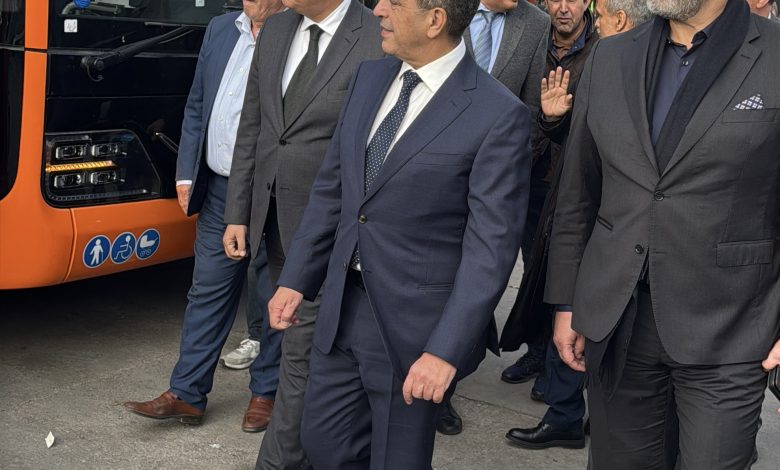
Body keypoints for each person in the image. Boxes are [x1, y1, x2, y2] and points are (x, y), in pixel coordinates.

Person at [265, 0, 532, 466]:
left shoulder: (497, 112)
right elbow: (333, 188)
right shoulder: (369, 78)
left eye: (395, 2)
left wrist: (445, 351)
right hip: (340, 308)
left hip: (413, 332)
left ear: (435, 20)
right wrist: (296, 277)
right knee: (323, 443)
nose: (378, 10)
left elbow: (490, 250)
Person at [547, 0, 780, 468]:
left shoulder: (773, 55)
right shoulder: (612, 56)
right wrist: (567, 302)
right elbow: (578, 193)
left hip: (732, 327)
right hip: (618, 320)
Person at [222, 1, 383, 468]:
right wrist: (238, 212)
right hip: (274, 221)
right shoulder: (276, 30)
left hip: (337, 230)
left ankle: (283, 458)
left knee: (305, 351)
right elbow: (254, 127)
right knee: (300, 346)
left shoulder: (375, 34)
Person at [123, 0, 284, 434]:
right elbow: (197, 104)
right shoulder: (220, 28)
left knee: (274, 293)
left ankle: (267, 393)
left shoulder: (296, 35)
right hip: (218, 187)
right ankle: (187, 393)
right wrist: (186, 171)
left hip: (273, 190)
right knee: (208, 290)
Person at [435, 0, 550, 436]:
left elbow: (531, 109)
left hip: (491, 180)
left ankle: (443, 389)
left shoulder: (533, 23)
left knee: (475, 277)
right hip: (431, 170)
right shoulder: (443, 8)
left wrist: (504, 169)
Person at [500, 0, 596, 450]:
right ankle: (539, 352)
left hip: (569, 186)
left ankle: (564, 392)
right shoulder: (532, 38)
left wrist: (556, 120)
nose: (564, 7)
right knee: (533, 273)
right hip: (526, 174)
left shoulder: (601, 48)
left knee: (562, 279)